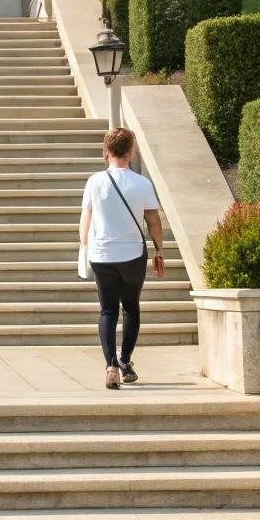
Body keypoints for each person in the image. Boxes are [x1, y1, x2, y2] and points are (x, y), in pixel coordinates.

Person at [79, 127, 165, 390]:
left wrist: (85, 247)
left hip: (102, 254)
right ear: (130, 151)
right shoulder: (142, 183)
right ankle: (126, 360)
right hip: (132, 254)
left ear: (106, 152)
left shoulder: (94, 181)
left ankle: (111, 367)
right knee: (131, 307)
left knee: (107, 310)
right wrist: (159, 250)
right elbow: (152, 219)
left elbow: (86, 218)